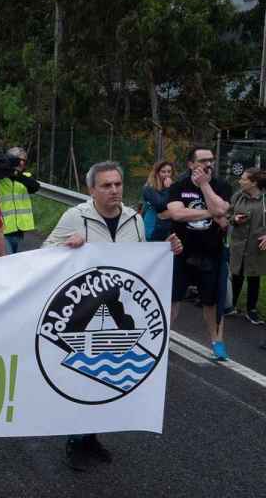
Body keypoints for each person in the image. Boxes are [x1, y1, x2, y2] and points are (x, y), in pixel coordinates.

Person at [43, 161, 182, 471]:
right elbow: (45, 252)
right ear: (92, 189)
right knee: (81, 379)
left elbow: (142, 261)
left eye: (118, 184)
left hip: (118, 310)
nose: (114, 190)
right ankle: (75, 440)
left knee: (104, 382)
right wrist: (67, 246)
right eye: (106, 185)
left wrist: (166, 250)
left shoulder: (134, 219)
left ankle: (92, 437)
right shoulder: (75, 217)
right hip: (83, 312)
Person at [166, 146, 233, 360]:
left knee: (212, 302)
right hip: (180, 251)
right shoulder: (179, 186)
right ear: (190, 164)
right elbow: (177, 214)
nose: (208, 164)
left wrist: (204, 185)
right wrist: (210, 213)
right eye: (203, 160)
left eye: (211, 160)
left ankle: (217, 343)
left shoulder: (221, 186)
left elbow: (222, 210)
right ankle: (161, 339)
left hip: (211, 253)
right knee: (172, 298)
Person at [228, 168, 266, 327]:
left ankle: (251, 310)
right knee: (236, 274)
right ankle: (230, 305)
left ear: (254, 183)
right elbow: (227, 214)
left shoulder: (264, 200)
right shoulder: (238, 196)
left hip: (256, 247)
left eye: (244, 179)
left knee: (254, 277)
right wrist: (234, 219)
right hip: (238, 245)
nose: (240, 181)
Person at [0, 146, 39, 253]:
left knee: (14, 259)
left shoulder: (25, 176)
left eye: (24, 161)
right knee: (7, 259)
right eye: (19, 160)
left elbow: (35, 187)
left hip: (19, 229)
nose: (21, 163)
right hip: (2, 229)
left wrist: (15, 174)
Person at [141, 161, 175, 241]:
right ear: (157, 173)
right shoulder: (149, 187)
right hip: (153, 227)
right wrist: (168, 189)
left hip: (168, 227)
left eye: (169, 172)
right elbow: (160, 205)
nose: (167, 174)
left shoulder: (173, 186)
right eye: (163, 172)